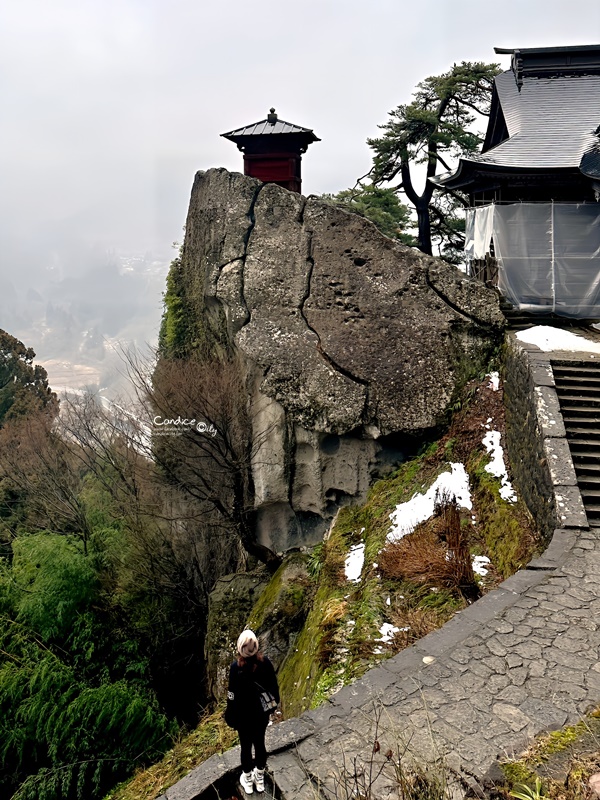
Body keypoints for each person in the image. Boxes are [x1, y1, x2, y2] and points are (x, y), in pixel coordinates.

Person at [225, 629, 280, 795]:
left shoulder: (236, 668)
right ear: (256, 646)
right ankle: (260, 777)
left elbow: (232, 695)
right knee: (260, 744)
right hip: (261, 714)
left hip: (243, 716)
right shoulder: (266, 663)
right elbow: (274, 687)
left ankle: (248, 780)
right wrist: (273, 705)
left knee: (245, 747)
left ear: (240, 648)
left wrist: (230, 714)